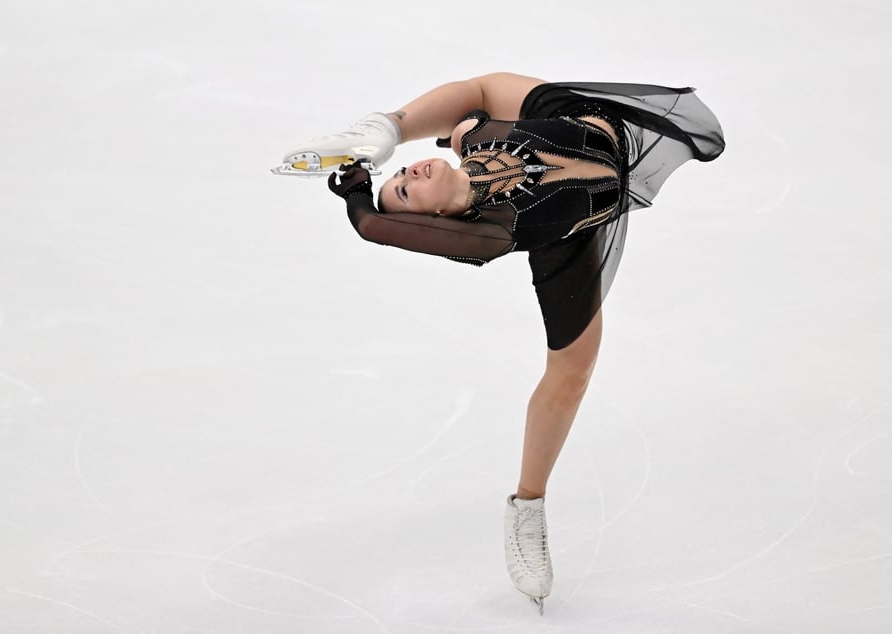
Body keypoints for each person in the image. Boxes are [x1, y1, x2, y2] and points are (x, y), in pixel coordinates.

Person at [278, 72, 725, 612]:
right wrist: (358, 198)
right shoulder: (492, 231)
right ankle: (527, 508)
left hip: (587, 119)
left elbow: (485, 88)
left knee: (477, 102)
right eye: (405, 190)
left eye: (401, 174)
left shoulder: (477, 138)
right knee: (571, 376)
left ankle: (384, 123)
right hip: (570, 236)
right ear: (438, 220)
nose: (410, 173)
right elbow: (374, 227)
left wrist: (389, 131)